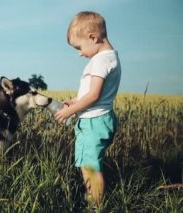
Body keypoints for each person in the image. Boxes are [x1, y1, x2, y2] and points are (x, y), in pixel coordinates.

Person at [54, 11, 121, 209]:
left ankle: (96, 206)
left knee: (90, 167)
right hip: (96, 119)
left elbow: (94, 96)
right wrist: (74, 101)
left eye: (80, 47)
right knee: (89, 165)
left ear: (93, 37)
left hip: (94, 122)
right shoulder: (108, 58)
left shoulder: (101, 61)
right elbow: (92, 93)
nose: (80, 53)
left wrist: (71, 111)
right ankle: (94, 201)